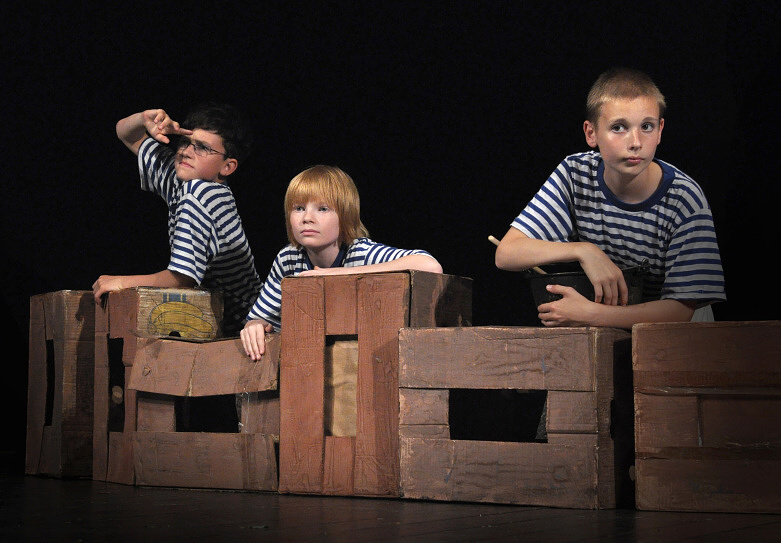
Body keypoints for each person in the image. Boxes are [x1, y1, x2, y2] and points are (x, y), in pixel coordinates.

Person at [495, 68, 725, 329]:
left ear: (660, 130)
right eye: (618, 128)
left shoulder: (685, 199)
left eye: (646, 127)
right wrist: (584, 251)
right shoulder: (575, 174)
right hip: (611, 324)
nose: (635, 142)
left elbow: (679, 311)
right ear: (591, 133)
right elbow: (507, 253)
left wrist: (590, 314)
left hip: (681, 331)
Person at [92, 103, 263, 337]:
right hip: (219, 325)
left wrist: (122, 282)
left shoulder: (201, 193)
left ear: (227, 166)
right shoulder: (180, 178)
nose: (186, 152)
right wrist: (144, 119)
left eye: (202, 148)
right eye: (185, 142)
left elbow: (183, 279)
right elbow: (125, 133)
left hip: (247, 330)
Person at [240, 165, 442, 360]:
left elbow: (430, 265)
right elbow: (262, 317)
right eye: (299, 208)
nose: (307, 218)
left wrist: (333, 274)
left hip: (365, 359)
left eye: (323, 209)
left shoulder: (360, 252)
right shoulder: (289, 258)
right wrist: (254, 325)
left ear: (345, 216)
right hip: (310, 360)